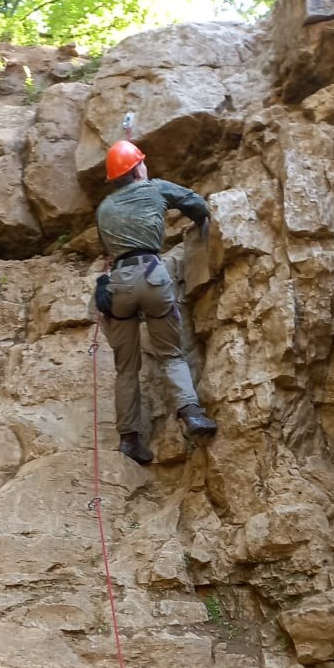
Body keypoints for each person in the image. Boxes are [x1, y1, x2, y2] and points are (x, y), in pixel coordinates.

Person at [93, 139, 217, 465]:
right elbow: (197, 205)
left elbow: (107, 245)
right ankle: (191, 414)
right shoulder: (154, 188)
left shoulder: (104, 209)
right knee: (171, 354)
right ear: (138, 169)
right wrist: (200, 220)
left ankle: (129, 440)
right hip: (152, 276)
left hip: (119, 284)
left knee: (126, 368)